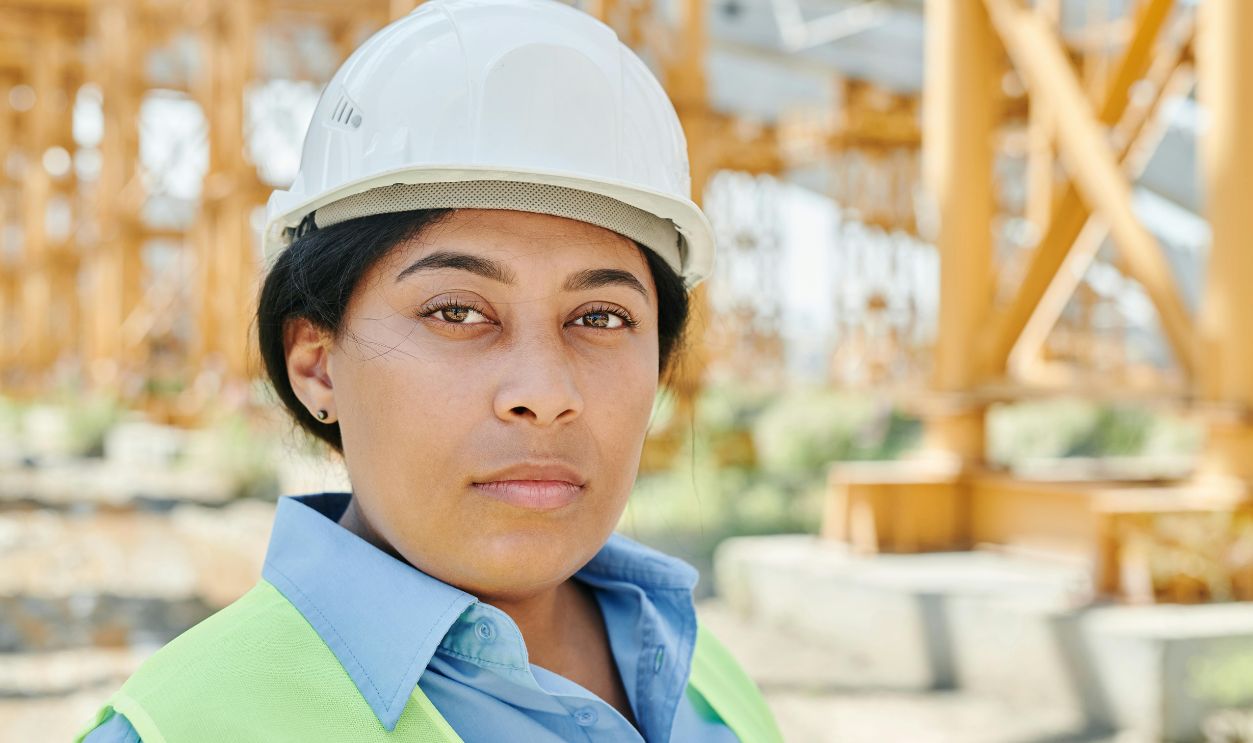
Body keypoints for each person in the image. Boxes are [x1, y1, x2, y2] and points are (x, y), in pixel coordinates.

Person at [74, 0, 782, 740]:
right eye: (456, 311)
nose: (543, 394)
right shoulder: (188, 727)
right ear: (316, 364)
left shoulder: (705, 680)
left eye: (599, 317)